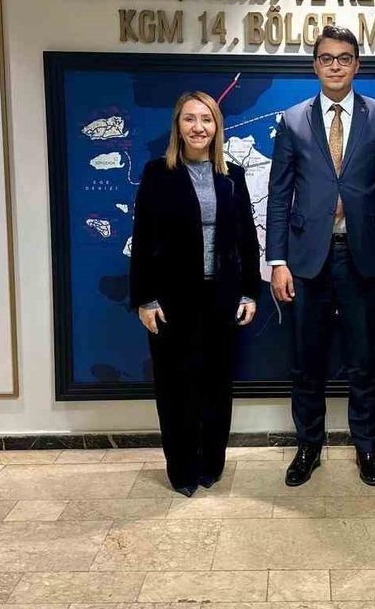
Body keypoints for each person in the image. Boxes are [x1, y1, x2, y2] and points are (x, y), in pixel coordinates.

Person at [267, 25, 375, 487]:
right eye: (326, 58)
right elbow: (278, 195)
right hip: (306, 260)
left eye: (344, 58)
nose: (335, 65)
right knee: (307, 361)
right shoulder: (292, 120)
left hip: (363, 257)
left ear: (357, 64)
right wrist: (278, 261)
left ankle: (366, 446)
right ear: (315, 65)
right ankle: (308, 445)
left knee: (364, 360)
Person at [129, 91, 261, 497]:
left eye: (206, 119)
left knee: (215, 386)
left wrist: (249, 293)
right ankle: (182, 470)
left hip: (221, 298)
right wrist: (145, 299)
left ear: (216, 126)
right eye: (190, 119)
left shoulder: (233, 175)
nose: (198, 127)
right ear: (178, 126)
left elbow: (245, 239)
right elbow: (143, 237)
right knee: (175, 389)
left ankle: (211, 466)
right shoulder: (158, 173)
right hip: (171, 301)